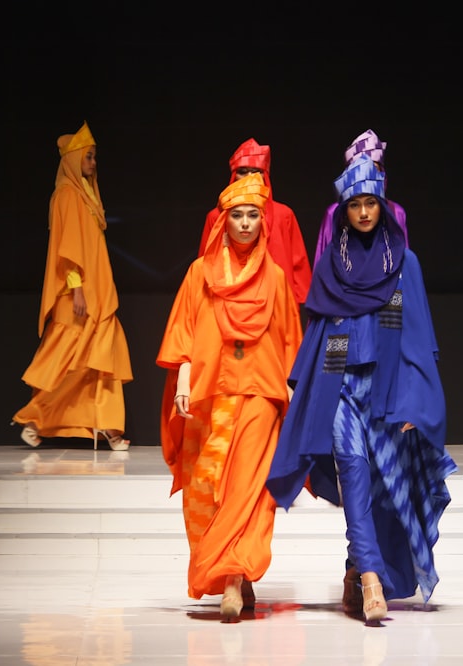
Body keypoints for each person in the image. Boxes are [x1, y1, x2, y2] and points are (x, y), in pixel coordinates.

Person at [266, 155, 457, 624]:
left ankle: (356, 569)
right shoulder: (333, 263)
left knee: (384, 486)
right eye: (356, 205)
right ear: (344, 210)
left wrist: (415, 397)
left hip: (388, 389)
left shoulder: (402, 263)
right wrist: (314, 390)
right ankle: (371, 578)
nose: (365, 212)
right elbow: (327, 328)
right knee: (351, 468)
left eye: (372, 203)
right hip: (342, 383)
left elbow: (414, 334)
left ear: (383, 206)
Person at [157, 172, 303, 620]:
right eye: (237, 215)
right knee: (206, 488)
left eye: (252, 216)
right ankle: (227, 573)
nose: (244, 223)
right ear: (224, 221)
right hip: (209, 392)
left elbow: (288, 340)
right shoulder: (199, 273)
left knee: (247, 489)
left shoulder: (276, 278)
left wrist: (295, 395)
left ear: (264, 222)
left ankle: (235, 580)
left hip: (260, 390)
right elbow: (184, 328)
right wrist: (183, 378)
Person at [12, 122, 133, 451]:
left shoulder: (86, 194)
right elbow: (68, 245)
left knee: (102, 357)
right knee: (72, 362)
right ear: (74, 158)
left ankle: (108, 426)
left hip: (98, 290)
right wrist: (77, 288)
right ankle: (35, 418)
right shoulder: (66, 195)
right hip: (78, 294)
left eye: (94, 157)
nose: (94, 163)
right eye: (89, 157)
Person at [198, 138, 313, 304]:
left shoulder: (284, 214)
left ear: (265, 175)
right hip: (228, 298)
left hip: (276, 299)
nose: (249, 177)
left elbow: (298, 261)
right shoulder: (216, 217)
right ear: (233, 175)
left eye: (256, 171)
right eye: (243, 171)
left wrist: (301, 299)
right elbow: (206, 262)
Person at [313, 129, 409, 265]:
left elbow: (404, 265)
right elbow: (322, 264)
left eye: (373, 169)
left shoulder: (396, 212)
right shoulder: (334, 213)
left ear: (383, 173)